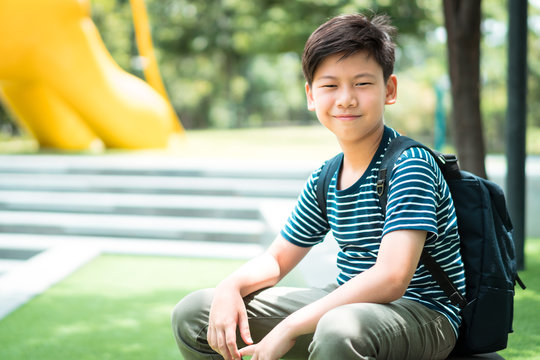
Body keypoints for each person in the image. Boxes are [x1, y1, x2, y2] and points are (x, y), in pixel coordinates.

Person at [171, 13, 465, 360]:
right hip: (349, 303)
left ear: (389, 90)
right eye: (330, 85)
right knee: (197, 312)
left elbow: (391, 278)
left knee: (339, 329)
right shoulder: (327, 175)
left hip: (424, 313)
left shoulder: (409, 164)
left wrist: (289, 326)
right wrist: (230, 286)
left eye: (362, 83)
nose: (345, 99)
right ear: (311, 95)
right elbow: (277, 259)